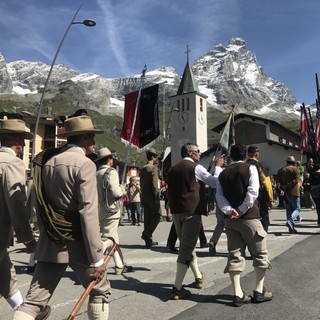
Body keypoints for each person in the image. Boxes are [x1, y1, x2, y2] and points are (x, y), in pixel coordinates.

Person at [14, 115, 111, 320]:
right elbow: (88, 213)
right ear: (83, 137)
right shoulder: (85, 164)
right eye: (91, 136)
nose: (94, 141)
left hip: (51, 240)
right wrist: (97, 258)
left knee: (33, 302)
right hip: (78, 242)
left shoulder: (46, 164)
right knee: (99, 290)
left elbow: (39, 204)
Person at [216, 143, 273, 307]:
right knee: (260, 254)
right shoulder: (250, 168)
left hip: (231, 221)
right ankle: (259, 290)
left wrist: (230, 211)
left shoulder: (223, 173)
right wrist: (240, 210)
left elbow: (219, 196)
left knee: (234, 255)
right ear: (246, 155)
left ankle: (238, 293)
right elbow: (253, 191)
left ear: (230, 156)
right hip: (249, 218)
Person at [168, 143, 217, 300]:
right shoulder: (196, 168)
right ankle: (177, 288)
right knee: (186, 248)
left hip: (177, 211)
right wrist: (217, 167)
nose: (200, 154)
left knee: (186, 245)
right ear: (190, 152)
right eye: (197, 151)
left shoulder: (172, 169)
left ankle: (198, 277)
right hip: (191, 212)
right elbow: (213, 182)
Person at [0, 119, 40, 313]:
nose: (23, 145)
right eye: (23, 139)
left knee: (7, 276)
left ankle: (26, 313)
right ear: (16, 139)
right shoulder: (12, 163)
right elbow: (16, 204)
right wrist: (27, 239)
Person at [95, 147, 133, 275]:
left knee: (114, 239)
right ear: (109, 160)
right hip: (112, 210)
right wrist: (123, 189)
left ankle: (119, 266)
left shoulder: (97, 173)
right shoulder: (111, 172)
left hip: (101, 210)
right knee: (108, 239)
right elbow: (116, 192)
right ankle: (92, 261)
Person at [246, 146, 274, 232]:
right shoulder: (260, 165)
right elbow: (267, 183)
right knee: (263, 216)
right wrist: (271, 199)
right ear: (257, 154)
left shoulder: (244, 165)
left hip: (246, 195)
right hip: (260, 195)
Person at [139, 148, 162, 247]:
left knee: (147, 218)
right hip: (152, 196)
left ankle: (148, 240)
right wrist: (156, 196)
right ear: (152, 157)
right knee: (158, 215)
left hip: (144, 196)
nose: (156, 158)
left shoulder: (143, 168)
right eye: (155, 156)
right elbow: (154, 184)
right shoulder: (153, 168)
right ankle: (147, 233)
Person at [277, 156, 301, 234]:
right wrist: (289, 185)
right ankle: (290, 221)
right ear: (293, 163)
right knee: (297, 209)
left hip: (285, 192)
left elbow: (278, 182)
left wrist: (282, 189)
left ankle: (291, 229)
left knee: (289, 210)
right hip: (294, 191)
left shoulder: (281, 170)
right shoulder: (296, 169)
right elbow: (296, 180)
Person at [208, 155, 225, 255]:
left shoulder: (213, 172)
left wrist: (210, 201)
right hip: (226, 200)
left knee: (220, 223)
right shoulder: (222, 171)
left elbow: (210, 187)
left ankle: (213, 240)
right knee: (231, 225)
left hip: (217, 200)